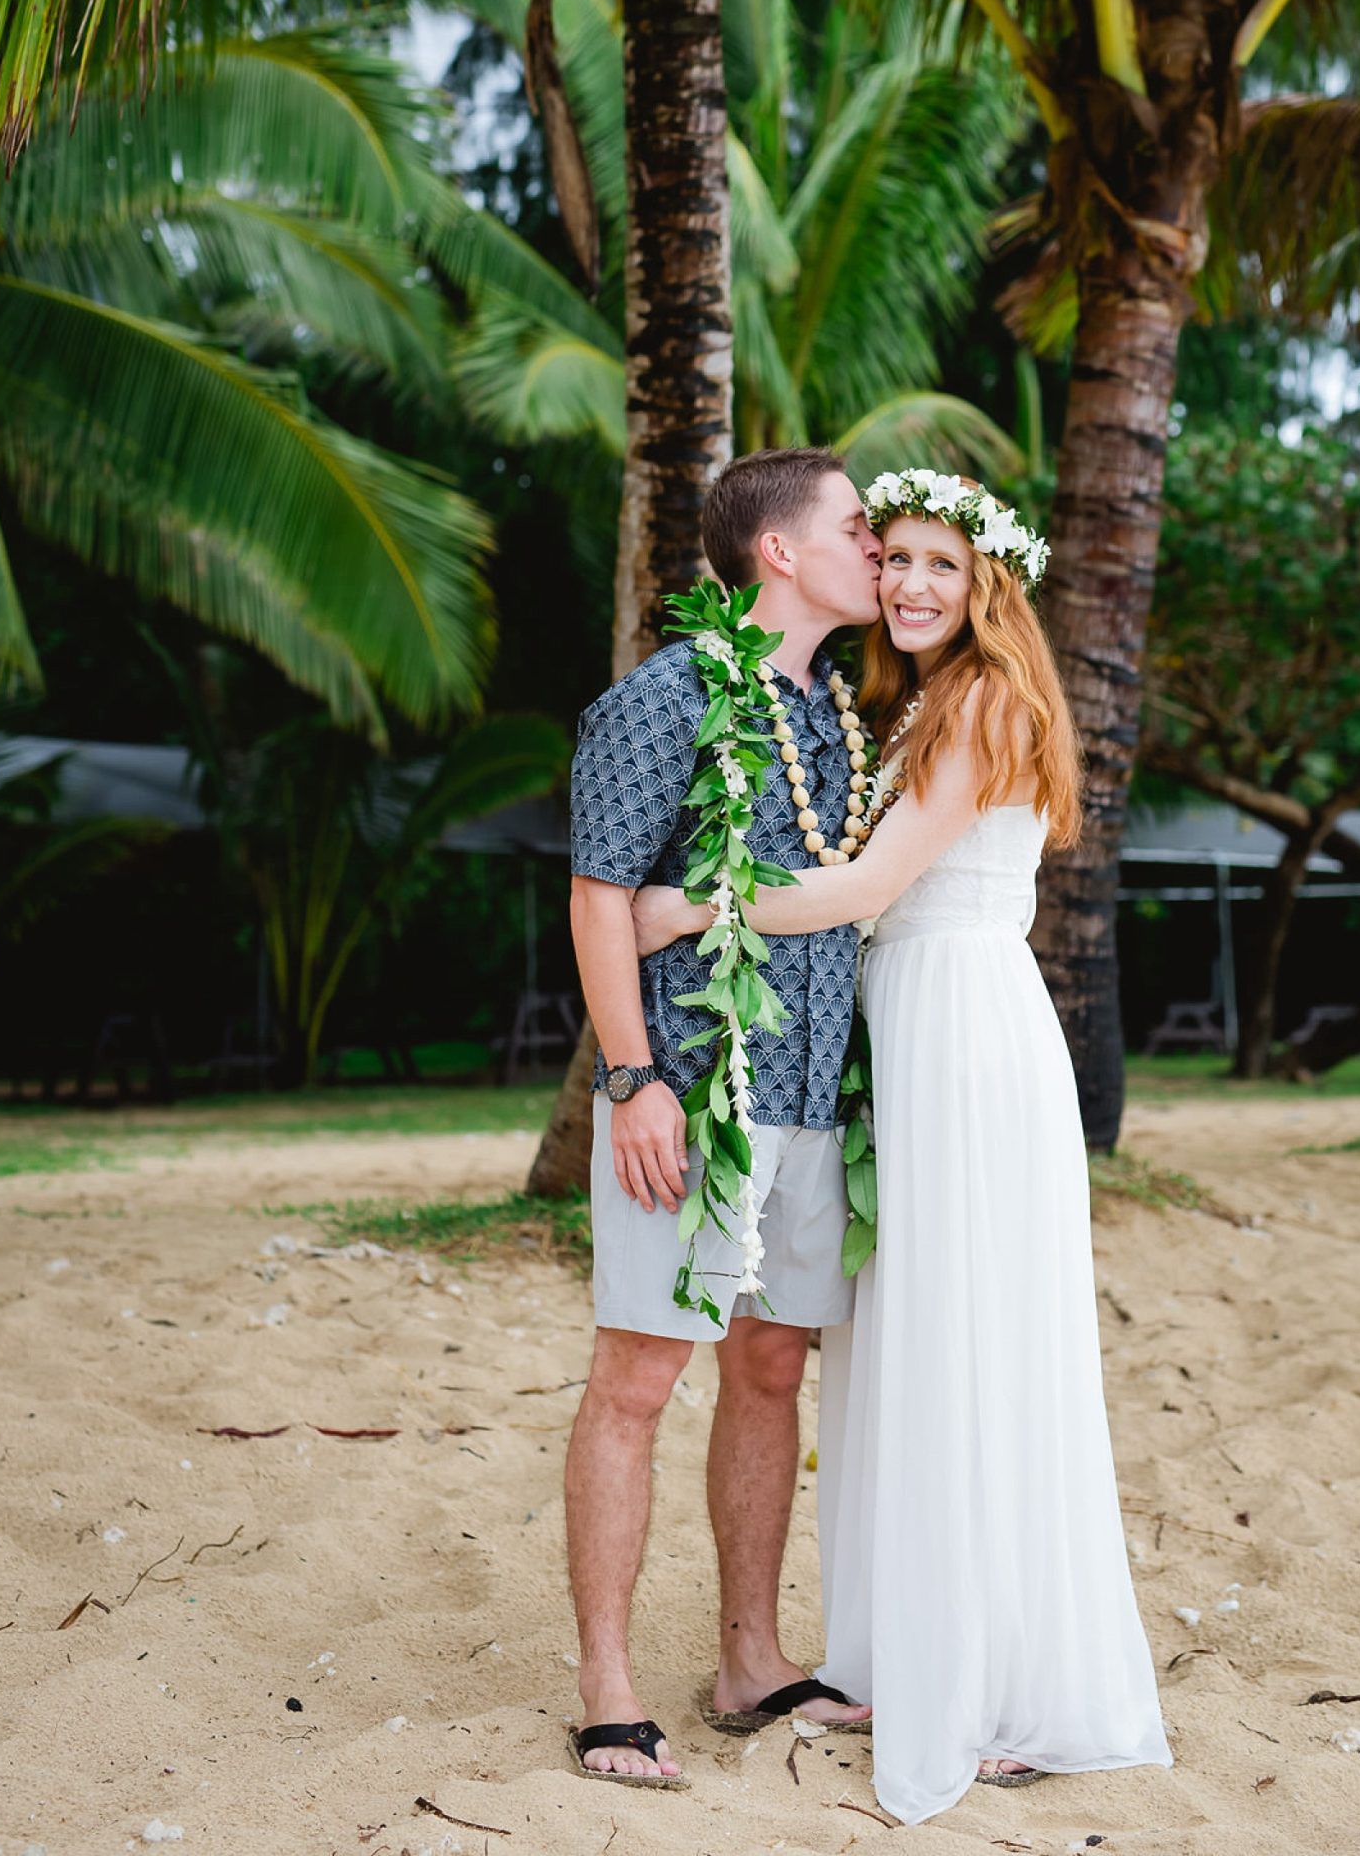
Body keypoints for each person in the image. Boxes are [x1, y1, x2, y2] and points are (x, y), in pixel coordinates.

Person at [633, 468, 1172, 1826]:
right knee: (914, 1345)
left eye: (943, 565)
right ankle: (933, 1647)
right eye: (898, 560)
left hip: (963, 1034)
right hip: (906, 1028)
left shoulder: (982, 698)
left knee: (975, 1344)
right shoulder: (905, 703)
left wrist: (688, 909)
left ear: (988, 585)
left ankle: (1013, 1682)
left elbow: (870, 891)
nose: (914, 585)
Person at [563, 447, 883, 1787]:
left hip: (815, 1096)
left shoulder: (842, 713)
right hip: (694, 1094)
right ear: (778, 553)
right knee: (640, 1377)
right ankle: (607, 1688)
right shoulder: (668, 694)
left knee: (768, 1369)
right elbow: (596, 894)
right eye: (858, 528)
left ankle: (749, 1660)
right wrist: (633, 1082)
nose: (880, 548)